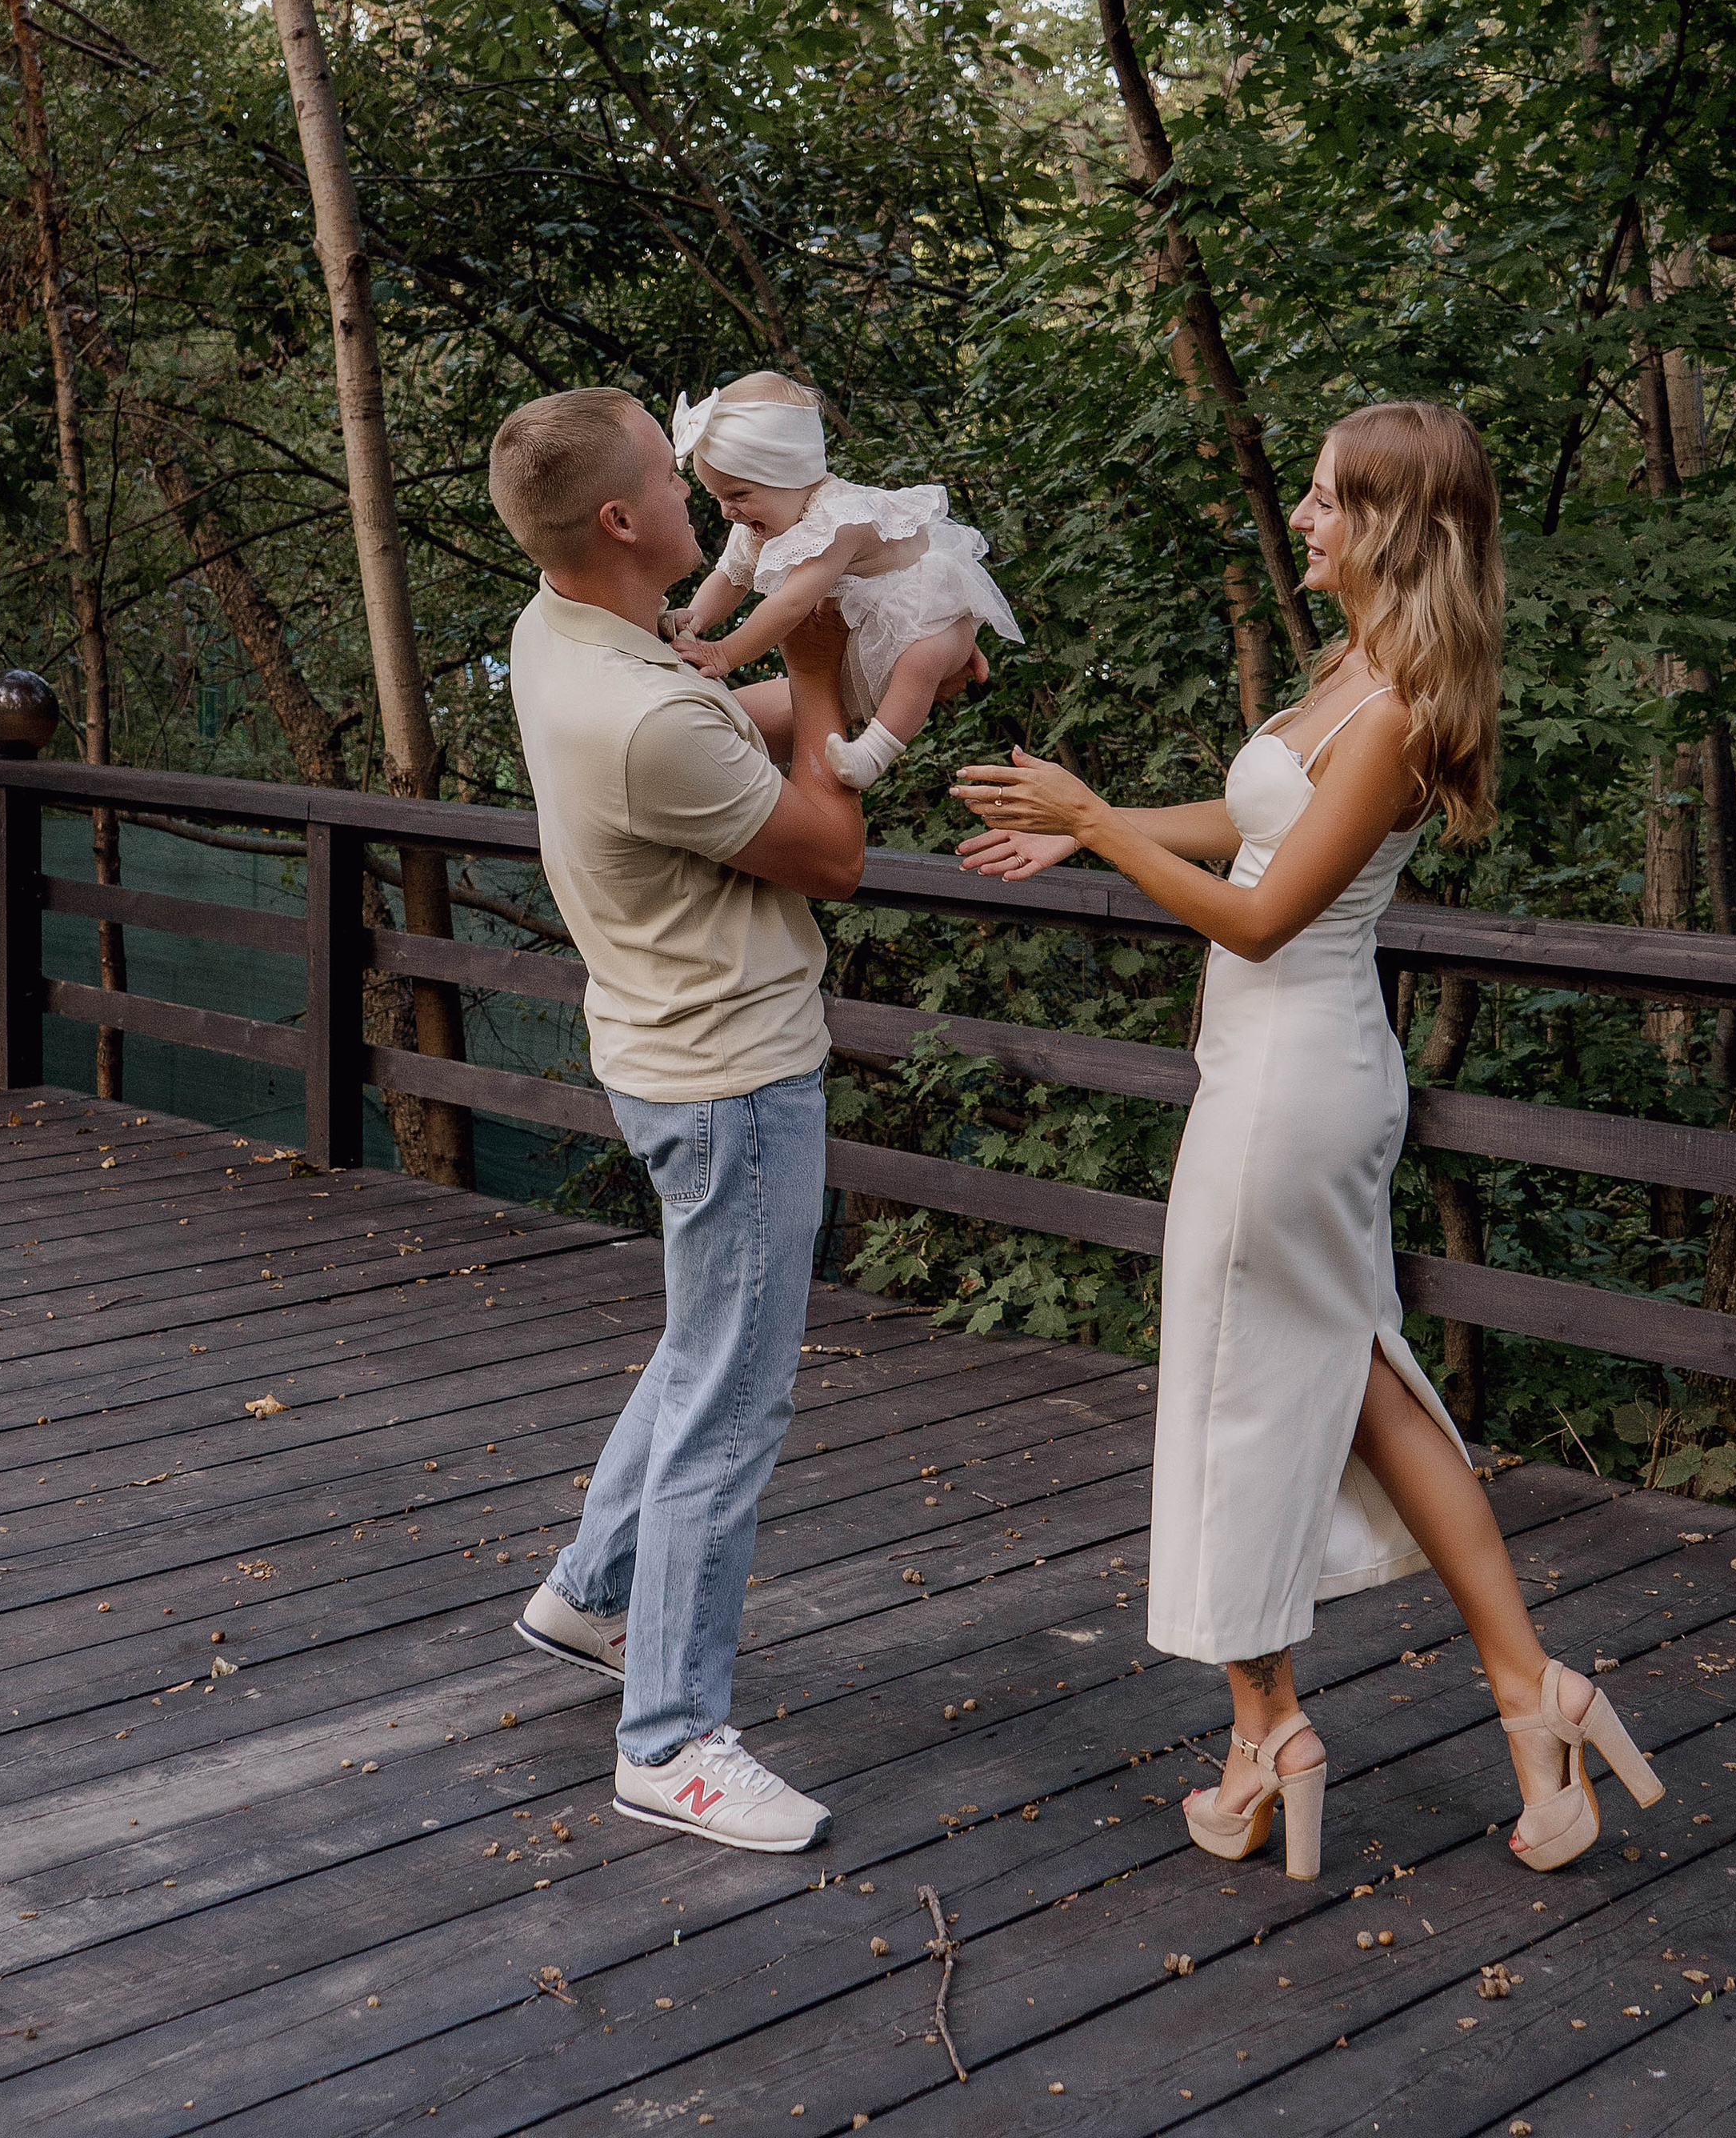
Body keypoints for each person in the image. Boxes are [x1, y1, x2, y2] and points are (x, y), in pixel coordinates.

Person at [951, 400, 1665, 1882]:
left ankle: (1265, 1737)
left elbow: (1265, 918)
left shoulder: (1400, 711)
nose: (1304, 518)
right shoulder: (1358, 672)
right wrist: (1095, 828)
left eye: (1332, 498)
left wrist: (1093, 811)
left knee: (1237, 1390)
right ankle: (1533, 1699)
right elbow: (1256, 819)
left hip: (1294, 1076)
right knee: (1353, 1380)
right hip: (1290, 1071)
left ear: (1397, 523)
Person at [488, 385, 865, 1854]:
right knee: (733, 1401)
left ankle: (590, 1594)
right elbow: (831, 849)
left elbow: (722, 714)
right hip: (736, 1078)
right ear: (623, 519)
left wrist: (840, 675)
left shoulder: (563, 632)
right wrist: (833, 676)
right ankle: (672, 1738)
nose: (696, 477)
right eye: (668, 465)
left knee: (702, 1346)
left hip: (661, 1053)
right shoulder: (642, 712)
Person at [666, 370, 1021, 792]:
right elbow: (730, 576)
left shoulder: (839, 521)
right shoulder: (762, 520)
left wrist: (724, 653)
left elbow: (793, 604)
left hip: (929, 611)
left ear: (790, 473)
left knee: (922, 660)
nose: (727, 512)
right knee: (819, 693)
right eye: (717, 497)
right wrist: (693, 621)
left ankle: (873, 753)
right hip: (857, 630)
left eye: (738, 495)